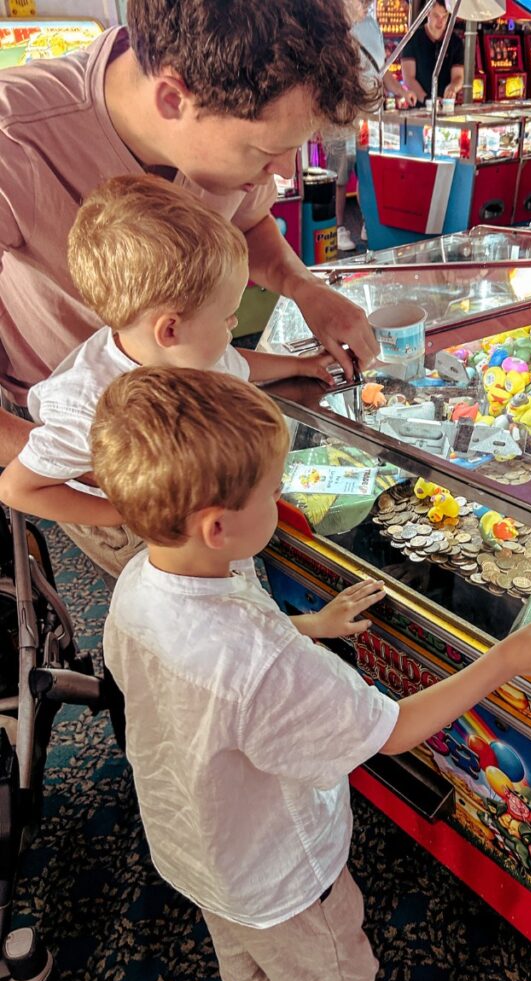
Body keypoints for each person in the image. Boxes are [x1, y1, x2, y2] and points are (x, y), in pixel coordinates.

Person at [93, 364, 531, 981]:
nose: (281, 500)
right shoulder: (265, 666)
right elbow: (390, 731)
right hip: (281, 880)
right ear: (217, 528)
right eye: (273, 492)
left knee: (245, 974)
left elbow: (204, 666)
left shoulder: (138, 581)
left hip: (194, 849)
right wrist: (504, 658)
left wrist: (309, 625)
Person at [0, 0, 380, 469]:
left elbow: (248, 220)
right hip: (76, 430)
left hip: (194, 393)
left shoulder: (232, 129)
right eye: (266, 152)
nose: (283, 172)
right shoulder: (14, 137)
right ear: (173, 100)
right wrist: (79, 468)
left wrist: (304, 288)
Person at [0, 175, 334, 579]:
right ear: (170, 329)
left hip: (191, 502)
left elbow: (231, 359)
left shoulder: (186, 346)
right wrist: (119, 512)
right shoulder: (88, 405)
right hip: (133, 528)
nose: (233, 322)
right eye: (228, 314)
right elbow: (18, 487)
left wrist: (298, 365)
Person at [327, 0, 417, 252]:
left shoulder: (372, 24)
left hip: (372, 109)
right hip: (343, 107)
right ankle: (338, 226)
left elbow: (382, 68)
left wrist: (400, 91)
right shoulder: (336, 22)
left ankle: (369, 220)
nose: (367, 4)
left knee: (369, 167)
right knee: (340, 169)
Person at [401, 1, 464, 107]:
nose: (441, 21)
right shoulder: (412, 39)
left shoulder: (455, 42)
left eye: (444, 17)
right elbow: (408, 78)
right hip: (418, 107)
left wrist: (453, 87)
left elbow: (458, 76)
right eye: (436, 16)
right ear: (427, 13)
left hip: (446, 107)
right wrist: (427, 99)